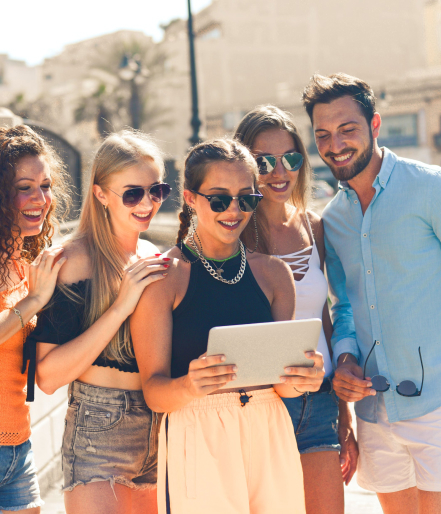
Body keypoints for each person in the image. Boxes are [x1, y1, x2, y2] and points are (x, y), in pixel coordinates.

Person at [302, 72, 441, 514]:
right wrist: (344, 356)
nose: (335, 145)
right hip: (374, 413)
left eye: (348, 129)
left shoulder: (431, 188)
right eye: (323, 134)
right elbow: (342, 306)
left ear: (375, 125)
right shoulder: (334, 219)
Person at [130, 138, 325, 514]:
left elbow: (283, 387)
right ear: (190, 198)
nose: (233, 210)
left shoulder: (274, 274)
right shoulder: (163, 278)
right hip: (197, 429)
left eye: (246, 198)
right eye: (219, 199)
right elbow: (154, 393)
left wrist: (304, 377)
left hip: (270, 427)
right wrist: (189, 384)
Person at [27, 130, 172, 514]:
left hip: (160, 425)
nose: (147, 203)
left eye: (156, 190)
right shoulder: (72, 260)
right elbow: (48, 376)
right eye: (132, 193)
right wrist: (121, 306)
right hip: (99, 430)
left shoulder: (152, 253)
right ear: (100, 193)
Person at [234, 104, 358, 514]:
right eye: (263, 161)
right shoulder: (231, 235)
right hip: (260, 404)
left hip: (319, 398)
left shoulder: (313, 226)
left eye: (289, 158)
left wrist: (344, 413)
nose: (278, 171)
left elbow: (323, 318)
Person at [0, 125, 70, 514]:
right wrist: (33, 301)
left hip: (18, 443)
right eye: (24, 187)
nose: (39, 198)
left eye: (45, 185)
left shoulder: (24, 253)